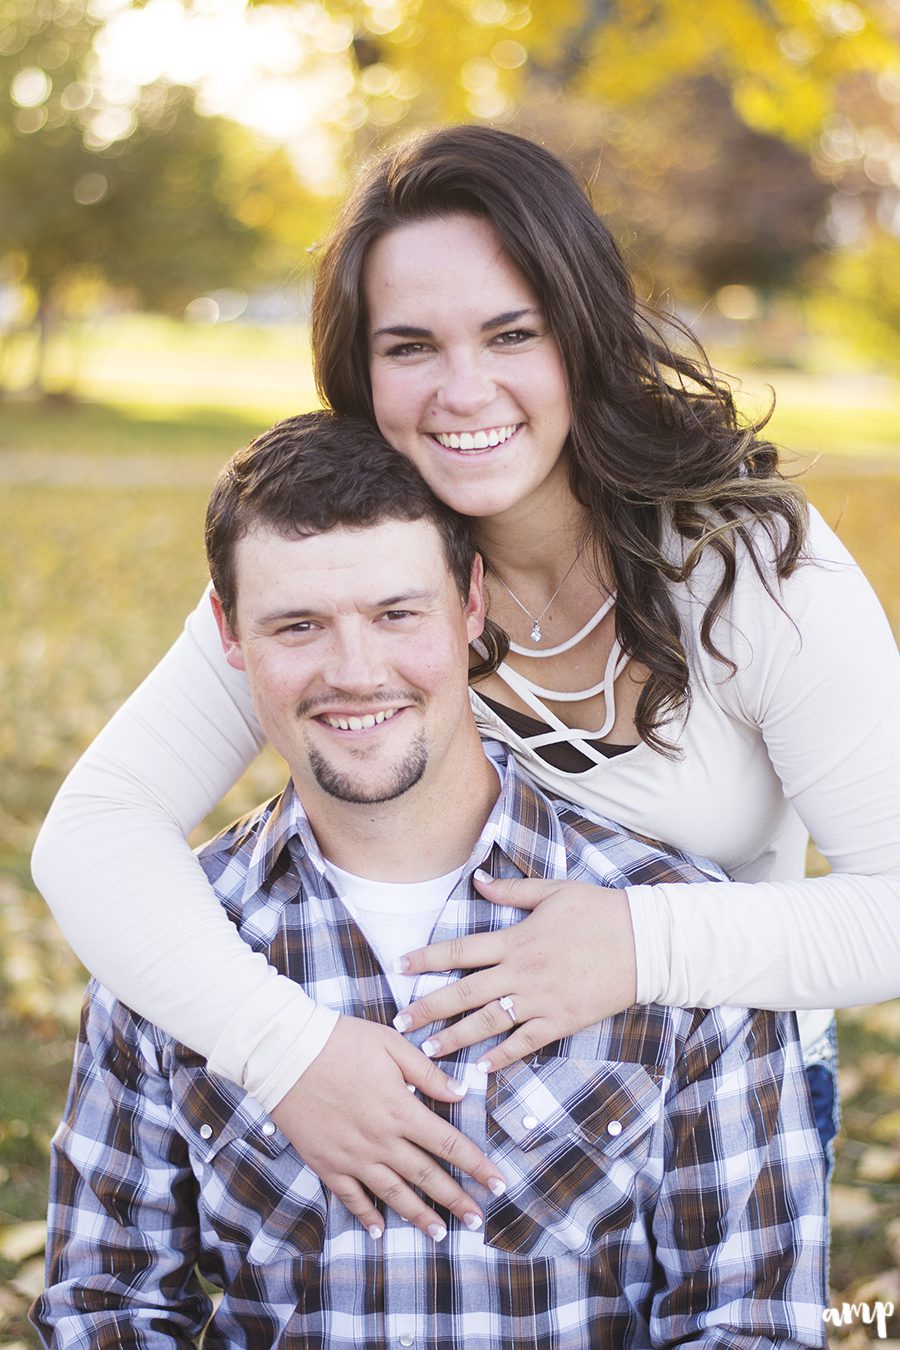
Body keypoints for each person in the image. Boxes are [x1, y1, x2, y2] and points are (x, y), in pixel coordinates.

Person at [31, 126, 900, 1240]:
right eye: (410, 347)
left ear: (582, 334)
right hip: (384, 1100)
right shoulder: (357, 557)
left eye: (510, 333)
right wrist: (288, 1052)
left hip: (697, 1116)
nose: (463, 390)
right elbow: (94, 832)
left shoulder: (750, 569)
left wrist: (640, 942)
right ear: (360, 367)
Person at [33, 414, 827, 1349]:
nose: (355, 672)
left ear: (472, 602)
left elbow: (754, 1322)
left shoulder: (676, 927)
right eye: (298, 626)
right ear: (228, 633)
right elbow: (108, 1305)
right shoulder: (170, 936)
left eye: (397, 613)